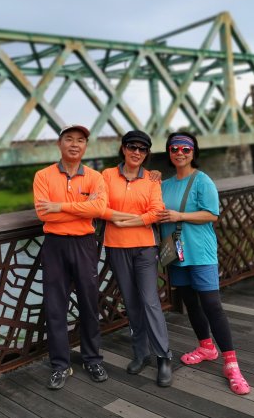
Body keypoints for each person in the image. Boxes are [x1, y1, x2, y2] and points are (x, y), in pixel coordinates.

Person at [158, 131, 250, 395]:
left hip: (200, 252)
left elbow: (211, 215)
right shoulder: (164, 185)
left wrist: (179, 215)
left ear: (193, 153)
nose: (180, 153)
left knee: (212, 305)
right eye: (175, 148)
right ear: (169, 152)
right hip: (176, 254)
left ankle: (231, 364)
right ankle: (206, 346)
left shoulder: (202, 180)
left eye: (186, 149)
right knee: (191, 303)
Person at [33, 124, 109, 390]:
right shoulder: (43, 176)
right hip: (54, 245)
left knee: (89, 303)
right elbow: (44, 214)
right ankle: (60, 365)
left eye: (80, 140)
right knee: (55, 307)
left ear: (85, 146)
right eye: (69, 139)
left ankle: (92, 358)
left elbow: (99, 209)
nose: (74, 144)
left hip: (85, 244)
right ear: (59, 144)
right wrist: (80, 209)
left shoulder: (95, 177)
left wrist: (61, 206)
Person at [100, 130, 173, 387]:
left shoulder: (152, 180)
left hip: (145, 247)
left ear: (146, 154)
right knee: (130, 302)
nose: (137, 152)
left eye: (143, 149)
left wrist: (129, 219)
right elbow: (101, 206)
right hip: (116, 246)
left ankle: (163, 357)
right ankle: (141, 353)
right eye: (132, 147)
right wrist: (116, 216)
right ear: (123, 148)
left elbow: (156, 211)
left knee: (150, 301)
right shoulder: (107, 175)